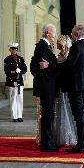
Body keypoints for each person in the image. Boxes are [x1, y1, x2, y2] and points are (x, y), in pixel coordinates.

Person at [62, 24, 84, 153]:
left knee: (79, 115)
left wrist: (58, 64)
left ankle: (81, 145)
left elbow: (69, 65)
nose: (71, 36)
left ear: (77, 35)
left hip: (76, 86)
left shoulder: (76, 46)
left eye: (73, 34)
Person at [32, 24, 59, 152]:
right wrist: (54, 65)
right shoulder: (43, 47)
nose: (55, 35)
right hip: (46, 87)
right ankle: (46, 143)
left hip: (46, 86)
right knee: (48, 115)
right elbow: (45, 67)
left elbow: (36, 66)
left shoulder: (44, 46)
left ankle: (48, 141)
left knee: (48, 114)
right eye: (54, 32)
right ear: (48, 33)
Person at [4, 43, 27, 122]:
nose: (15, 50)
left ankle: (20, 115)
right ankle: (14, 116)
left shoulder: (21, 59)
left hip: (20, 81)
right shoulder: (7, 59)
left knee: (20, 98)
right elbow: (7, 71)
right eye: (13, 49)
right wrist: (12, 80)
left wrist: (20, 71)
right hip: (12, 81)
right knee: (13, 98)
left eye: (16, 49)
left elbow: (25, 69)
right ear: (10, 49)